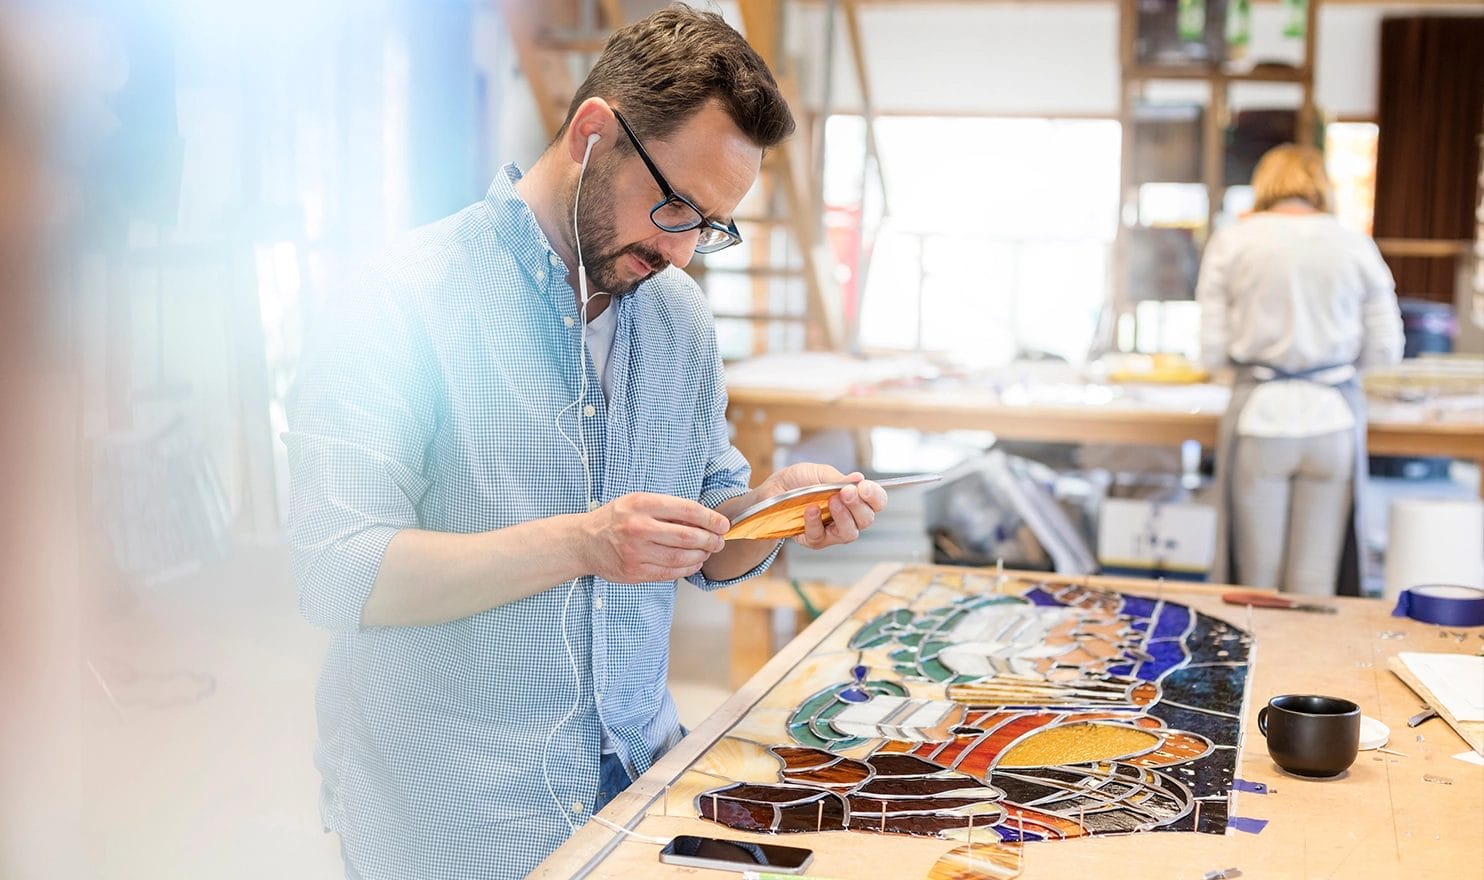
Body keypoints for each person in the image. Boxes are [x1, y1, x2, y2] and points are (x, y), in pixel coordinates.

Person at [283, 7, 887, 879]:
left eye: (711, 225)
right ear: (593, 133)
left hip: (639, 782)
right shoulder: (399, 301)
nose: (681, 253)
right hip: (455, 812)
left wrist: (770, 510)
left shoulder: (678, 317)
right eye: (676, 205)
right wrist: (581, 542)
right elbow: (336, 571)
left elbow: (707, 533)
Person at [1198, 144, 1403, 597]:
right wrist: (1342, 368)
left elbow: (1210, 349)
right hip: (1332, 419)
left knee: (1257, 582)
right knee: (1314, 583)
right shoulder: (1353, 243)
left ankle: (1258, 667)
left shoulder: (1235, 239)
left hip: (1261, 419)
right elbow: (1387, 347)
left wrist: (1236, 369)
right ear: (1319, 186)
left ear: (1264, 184)